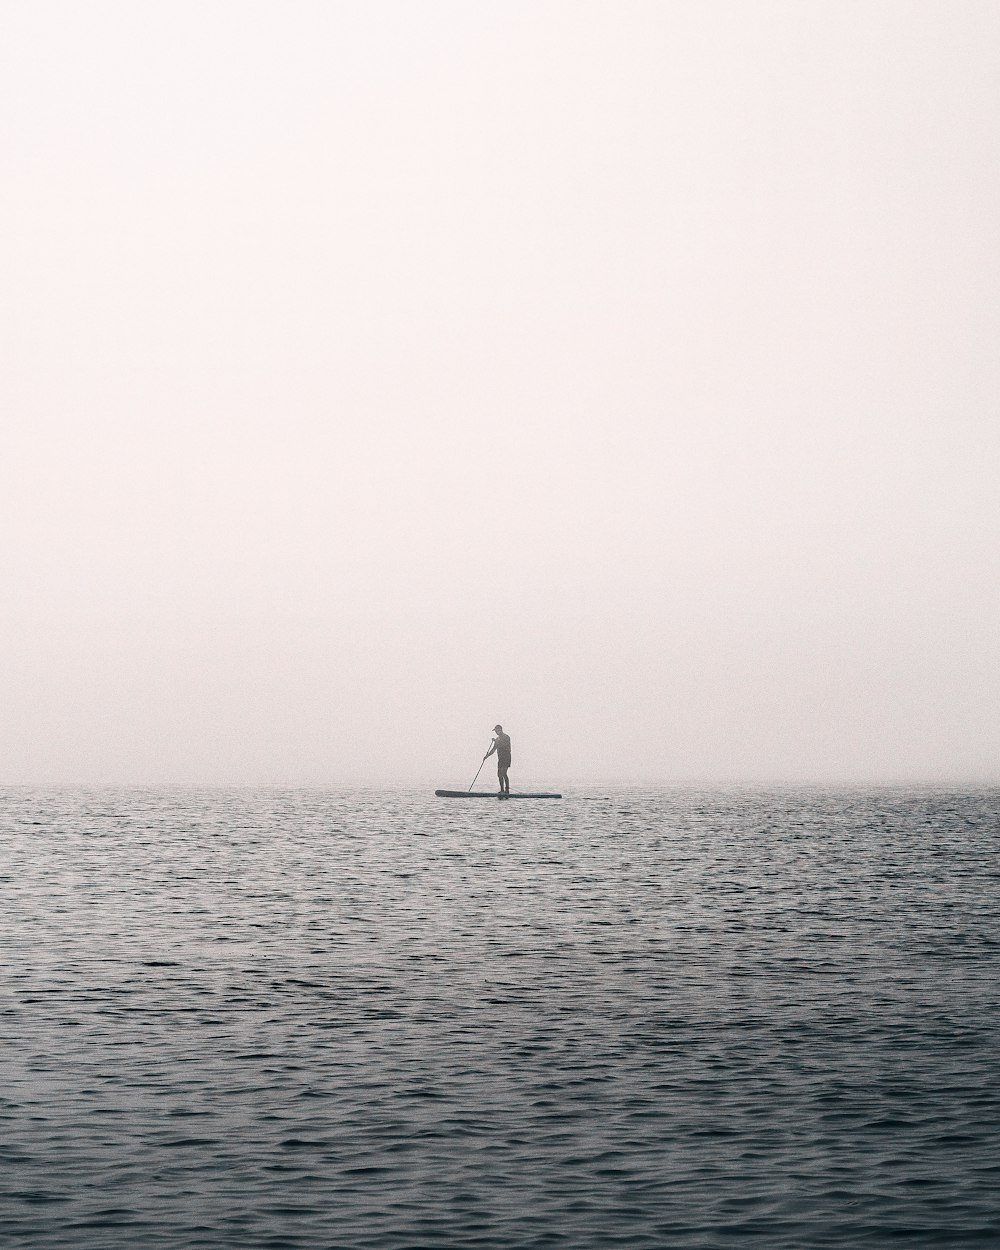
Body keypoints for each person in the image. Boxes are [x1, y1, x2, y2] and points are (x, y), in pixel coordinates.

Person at [484, 724, 511, 795]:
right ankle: (502, 790)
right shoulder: (497, 739)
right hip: (500, 758)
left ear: (500, 730)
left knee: (504, 772)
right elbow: (493, 750)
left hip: (506, 757)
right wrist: (486, 756)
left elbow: (505, 746)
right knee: (499, 774)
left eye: (496, 730)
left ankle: (507, 790)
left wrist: (496, 741)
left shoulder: (506, 737)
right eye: (495, 731)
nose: (495, 732)